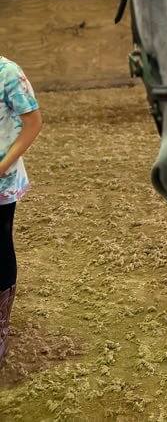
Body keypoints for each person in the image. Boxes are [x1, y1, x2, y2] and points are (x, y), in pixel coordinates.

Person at [0, 56, 42, 363]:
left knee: (0, 246)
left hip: (1, 183)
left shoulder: (8, 73)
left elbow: (33, 122)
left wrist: (2, 166)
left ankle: (0, 325)